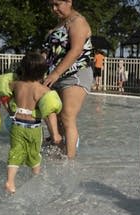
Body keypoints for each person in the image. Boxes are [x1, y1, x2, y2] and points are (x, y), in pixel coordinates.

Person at [1, 52, 62, 194]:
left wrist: (10, 109)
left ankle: (10, 182)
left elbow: (4, 96)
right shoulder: (43, 90)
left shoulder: (15, 85)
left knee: (15, 152)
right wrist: (55, 134)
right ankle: (36, 179)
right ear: (43, 72)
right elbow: (50, 113)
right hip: (33, 128)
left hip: (17, 125)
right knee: (34, 154)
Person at [42, 0, 93, 159]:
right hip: (54, 76)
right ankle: (59, 150)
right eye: (51, 5)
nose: (53, 9)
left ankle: (69, 161)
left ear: (69, 1)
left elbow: (76, 50)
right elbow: (48, 53)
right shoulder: (59, 25)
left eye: (57, 4)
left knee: (67, 116)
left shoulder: (78, 22)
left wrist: (56, 73)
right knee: (53, 116)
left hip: (75, 73)